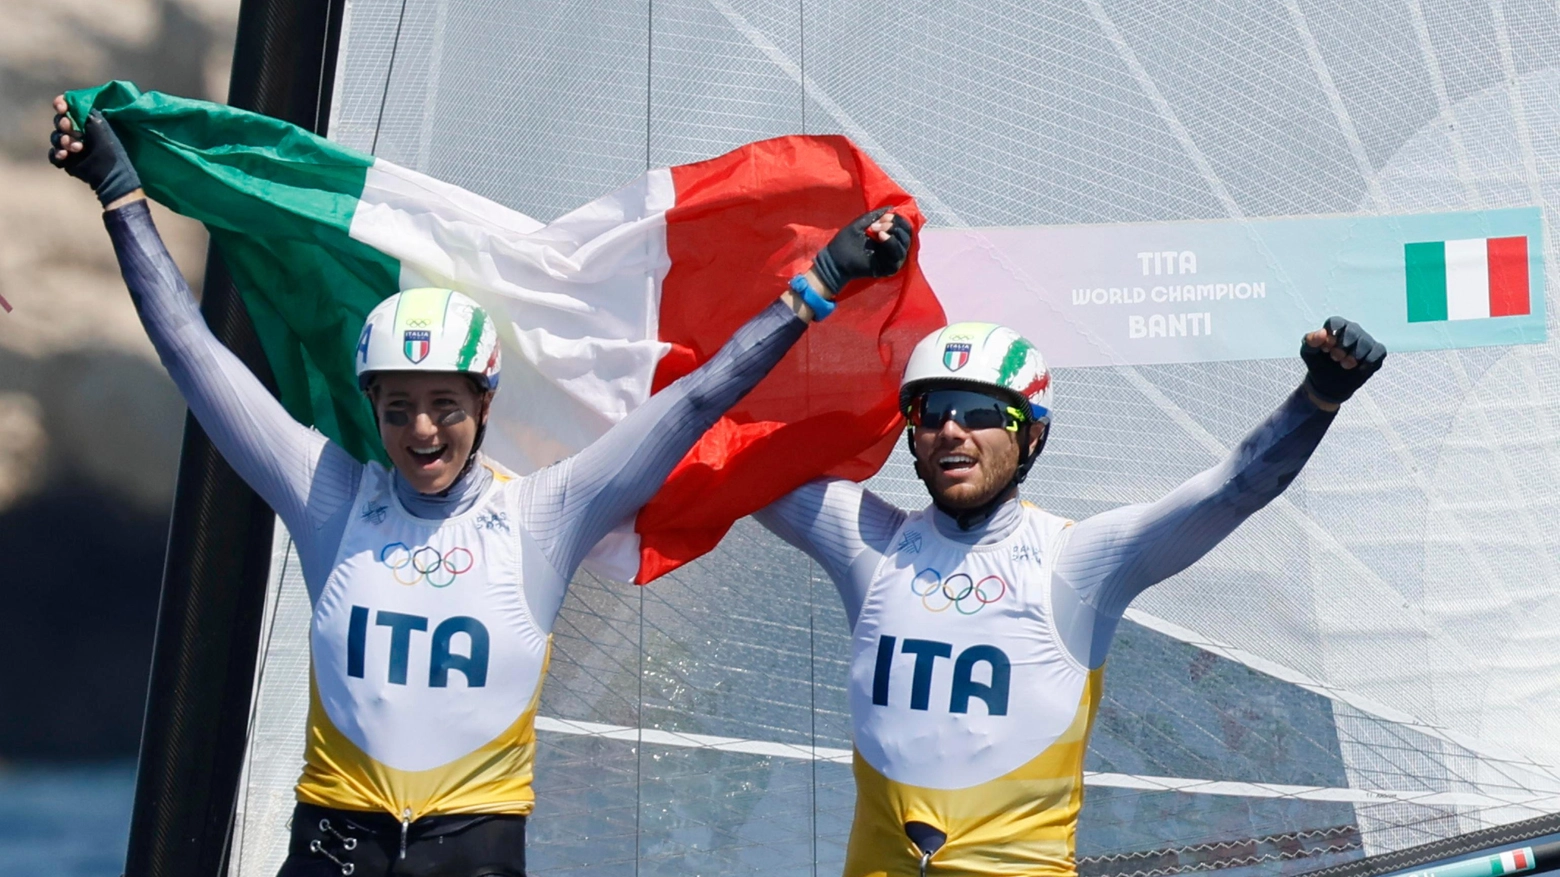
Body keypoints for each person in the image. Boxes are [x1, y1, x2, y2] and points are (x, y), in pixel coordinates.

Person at [49, 99, 914, 877]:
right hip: (329, 853)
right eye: (398, 408)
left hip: (475, 859)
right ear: (372, 407)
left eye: (443, 406)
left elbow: (698, 397)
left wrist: (824, 281)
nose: (422, 431)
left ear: (484, 401)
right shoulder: (329, 496)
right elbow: (194, 356)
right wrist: (122, 199)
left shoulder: (543, 513)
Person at [756, 319, 1385, 877]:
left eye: (980, 412)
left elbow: (1230, 491)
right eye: (933, 410)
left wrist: (1319, 397)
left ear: (1032, 437)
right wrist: (806, 297)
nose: (952, 429)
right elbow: (729, 452)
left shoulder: (1079, 562)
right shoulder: (869, 544)